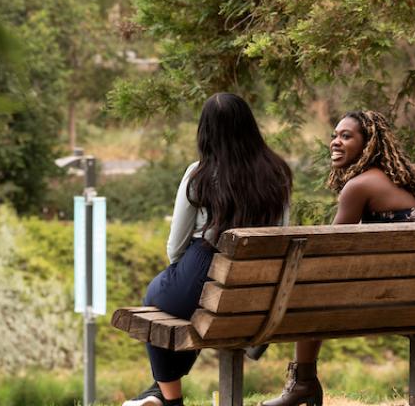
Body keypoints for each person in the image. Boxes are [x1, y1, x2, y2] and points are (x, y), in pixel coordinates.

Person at [124, 93, 293, 406]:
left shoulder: (199, 174)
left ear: (206, 132)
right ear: (250, 127)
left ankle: (167, 397)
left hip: (205, 267)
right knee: (194, 306)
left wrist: (181, 273)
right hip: (260, 290)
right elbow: (281, 235)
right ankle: (158, 393)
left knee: (157, 299)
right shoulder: (278, 173)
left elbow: (175, 246)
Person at [264, 109, 415, 406]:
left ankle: (302, 383)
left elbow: (328, 249)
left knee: (307, 291)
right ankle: (299, 381)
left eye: (346, 136)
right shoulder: (405, 181)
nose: (335, 142)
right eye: (334, 136)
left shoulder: (359, 186)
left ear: (369, 144)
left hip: (385, 299)